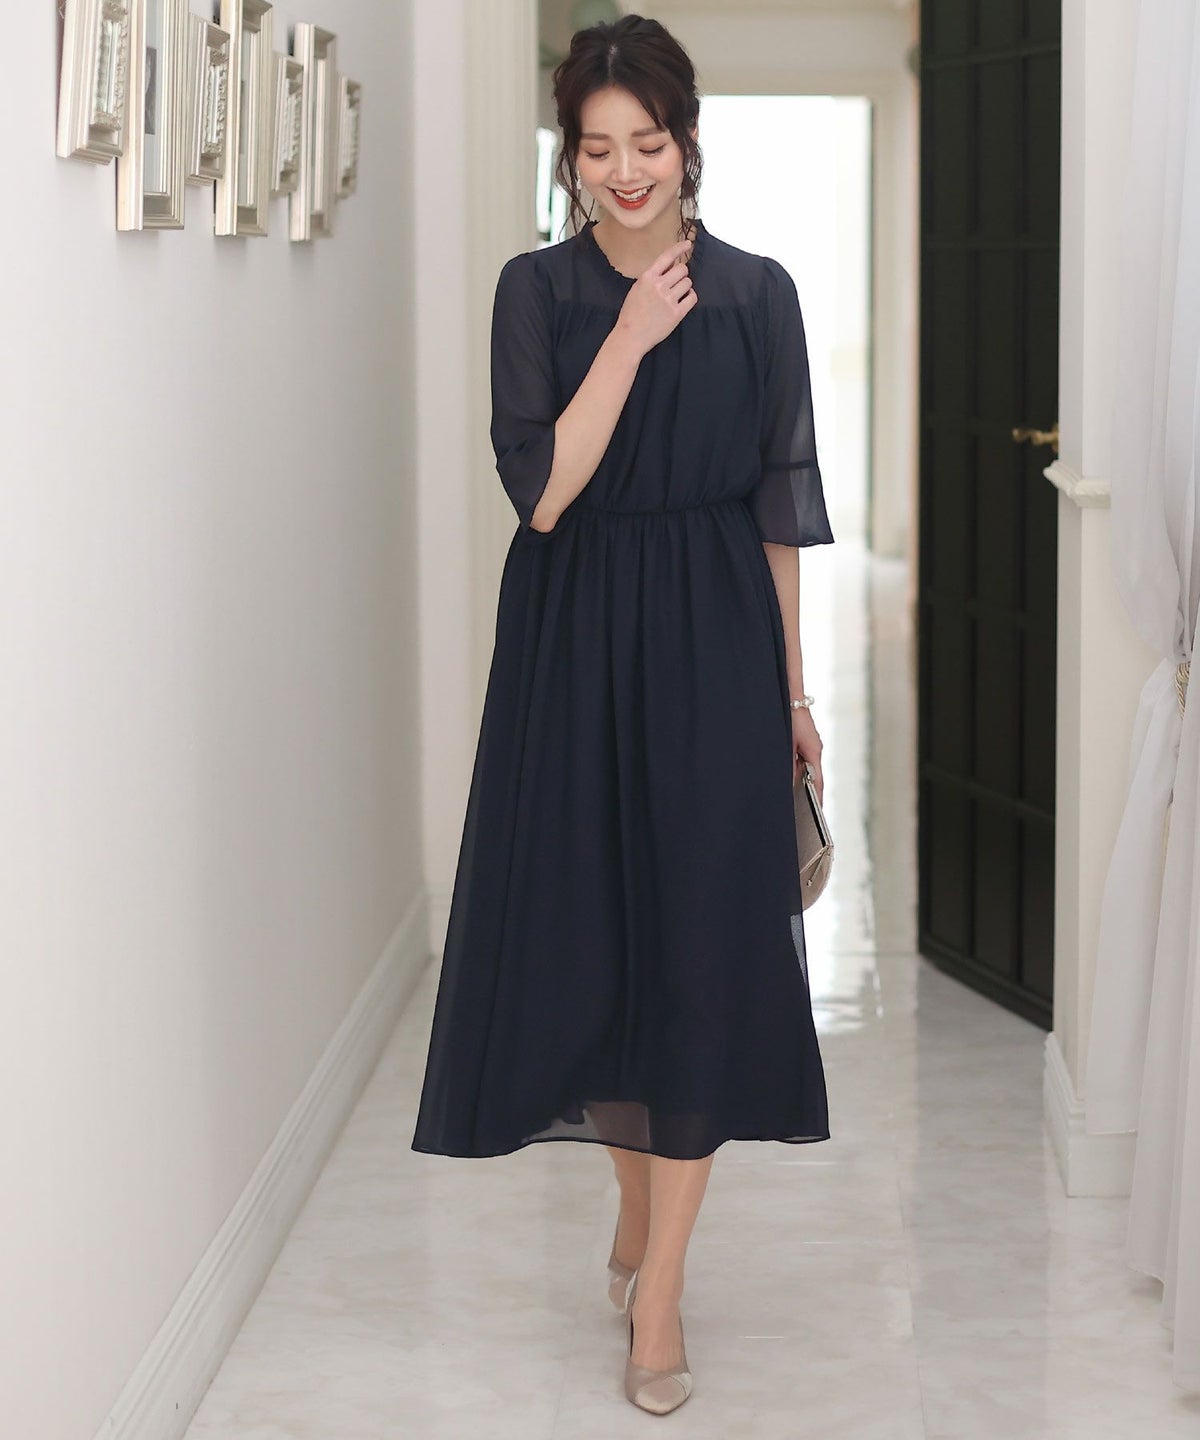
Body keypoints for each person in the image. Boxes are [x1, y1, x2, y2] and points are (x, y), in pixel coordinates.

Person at [410, 12, 835, 1416]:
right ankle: (632, 1202)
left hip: (714, 639)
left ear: (688, 140)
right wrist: (634, 336)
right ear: (571, 157)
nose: (627, 172)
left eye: (647, 142)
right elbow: (543, 492)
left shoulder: (762, 296)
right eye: (598, 150)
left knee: (704, 947)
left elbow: (780, 510)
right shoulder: (535, 294)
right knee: (599, 945)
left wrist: (791, 691)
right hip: (574, 643)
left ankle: (660, 1292)